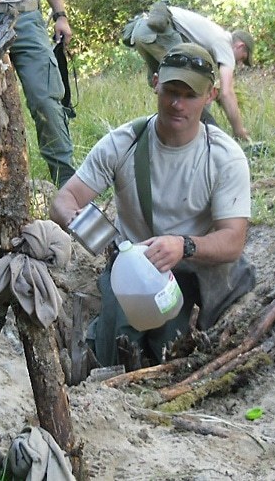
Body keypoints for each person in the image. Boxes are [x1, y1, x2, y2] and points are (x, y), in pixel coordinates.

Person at [50, 43, 256, 368]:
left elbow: (233, 240)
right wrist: (111, 246)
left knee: (168, 347)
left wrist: (182, 245)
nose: (177, 104)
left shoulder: (223, 156)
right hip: (133, 272)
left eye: (189, 95)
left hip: (191, 268)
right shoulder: (125, 143)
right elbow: (65, 201)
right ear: (156, 83)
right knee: (114, 346)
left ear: (210, 96)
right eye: (171, 91)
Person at [0, 0, 76, 187]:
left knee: (46, 101)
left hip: (27, 18)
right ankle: (9, 187)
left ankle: (67, 186)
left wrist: (61, 15)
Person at [123, 1, 255, 142]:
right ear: (241, 46)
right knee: (192, 88)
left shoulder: (214, 34)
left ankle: (167, 134)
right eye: (243, 58)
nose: (240, 63)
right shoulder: (225, 44)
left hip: (140, 31)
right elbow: (227, 92)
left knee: (170, 85)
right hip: (158, 33)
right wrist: (239, 130)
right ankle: (211, 138)